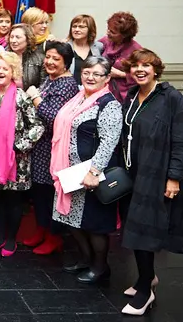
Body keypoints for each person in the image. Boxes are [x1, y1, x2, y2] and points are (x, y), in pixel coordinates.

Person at [118, 49, 183, 315]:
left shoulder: (172, 98)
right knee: (134, 228)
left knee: (145, 232)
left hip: (156, 175)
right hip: (132, 174)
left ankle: (145, 291)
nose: (140, 70)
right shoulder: (132, 96)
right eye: (135, 66)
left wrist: (174, 178)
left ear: (156, 70)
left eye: (146, 66)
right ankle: (148, 276)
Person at [48, 56, 122, 285]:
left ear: (107, 78)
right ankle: (85, 259)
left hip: (91, 174)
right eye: (87, 72)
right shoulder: (79, 97)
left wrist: (94, 171)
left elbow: (109, 141)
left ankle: (100, 268)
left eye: (97, 74)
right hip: (70, 172)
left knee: (94, 224)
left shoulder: (109, 104)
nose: (90, 77)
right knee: (71, 219)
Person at [0, 52, 44, 257]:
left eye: (5, 68)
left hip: (16, 160)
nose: (0, 71)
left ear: (13, 72)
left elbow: (38, 126)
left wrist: (18, 146)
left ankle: (10, 240)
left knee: (13, 200)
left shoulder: (22, 97)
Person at [25, 42, 79, 255]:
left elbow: (53, 117)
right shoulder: (49, 79)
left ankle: (54, 236)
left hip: (54, 148)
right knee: (39, 191)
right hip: (40, 146)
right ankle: (41, 230)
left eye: (56, 59)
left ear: (66, 63)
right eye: (48, 57)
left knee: (51, 193)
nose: (49, 62)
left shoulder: (67, 85)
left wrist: (35, 98)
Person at [100, 11, 142, 102]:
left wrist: (121, 74)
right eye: (108, 29)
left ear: (124, 35)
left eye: (113, 32)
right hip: (104, 91)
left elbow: (143, 74)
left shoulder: (136, 50)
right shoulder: (105, 41)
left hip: (125, 95)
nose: (108, 33)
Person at [66, 14, 103, 86]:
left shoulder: (98, 47)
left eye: (81, 27)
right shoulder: (65, 46)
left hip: (92, 89)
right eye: (74, 26)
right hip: (71, 90)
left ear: (90, 29)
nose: (76, 29)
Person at [7, 23, 45, 90]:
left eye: (18, 37)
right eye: (11, 37)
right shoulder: (4, 56)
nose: (13, 41)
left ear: (28, 39)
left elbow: (43, 84)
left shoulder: (39, 59)